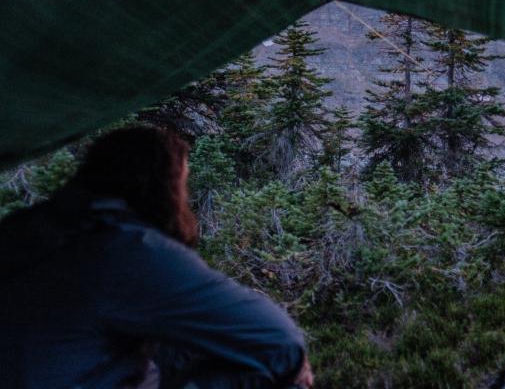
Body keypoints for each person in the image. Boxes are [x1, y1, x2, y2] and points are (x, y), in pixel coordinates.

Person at [0, 126, 314, 389]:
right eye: (183, 187)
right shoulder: (124, 249)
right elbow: (280, 344)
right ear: (161, 188)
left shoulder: (24, 228)